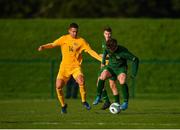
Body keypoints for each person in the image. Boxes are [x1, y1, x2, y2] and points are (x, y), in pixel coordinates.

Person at [38, 23, 102, 114]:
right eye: (73, 31)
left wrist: (101, 59)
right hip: (64, 68)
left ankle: (84, 101)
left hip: (76, 67)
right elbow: (53, 44)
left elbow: (90, 51)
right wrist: (43, 46)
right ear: (69, 31)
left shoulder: (81, 41)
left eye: (76, 31)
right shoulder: (64, 38)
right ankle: (63, 105)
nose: (75, 33)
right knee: (58, 86)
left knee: (81, 80)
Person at [94, 38, 139, 110]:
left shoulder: (123, 52)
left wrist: (133, 73)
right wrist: (103, 62)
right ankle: (98, 96)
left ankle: (125, 102)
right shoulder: (108, 48)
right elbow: (105, 51)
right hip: (111, 67)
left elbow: (135, 59)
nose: (110, 50)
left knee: (122, 80)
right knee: (102, 76)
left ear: (115, 46)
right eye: (109, 49)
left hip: (121, 68)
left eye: (111, 49)